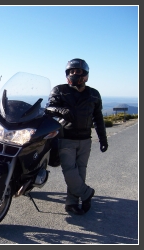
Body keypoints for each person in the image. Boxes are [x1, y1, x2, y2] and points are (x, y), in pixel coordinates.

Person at [45, 58, 108, 215]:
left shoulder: (94, 94)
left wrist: (103, 138)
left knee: (81, 171)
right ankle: (86, 193)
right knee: (69, 171)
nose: (73, 74)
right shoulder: (59, 90)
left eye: (77, 72)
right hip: (66, 138)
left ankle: (72, 202)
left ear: (85, 75)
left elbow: (98, 118)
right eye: (71, 71)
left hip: (86, 140)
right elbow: (49, 107)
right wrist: (60, 110)